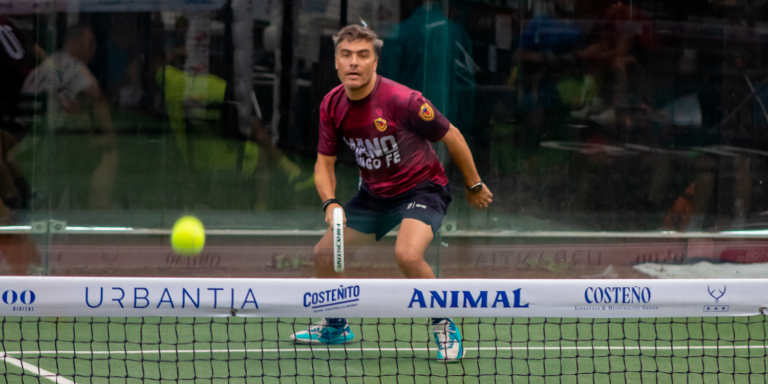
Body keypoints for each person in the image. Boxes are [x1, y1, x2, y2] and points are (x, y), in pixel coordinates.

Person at [289, 25, 493, 362]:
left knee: (408, 255)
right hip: (374, 196)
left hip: (423, 188)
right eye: (346, 55)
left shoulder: (402, 100)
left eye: (363, 55)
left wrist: (474, 184)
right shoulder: (332, 105)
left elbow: (452, 135)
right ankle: (336, 325)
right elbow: (323, 164)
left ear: (375, 63)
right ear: (336, 62)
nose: (354, 62)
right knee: (325, 254)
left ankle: (443, 324)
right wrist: (330, 202)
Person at [22, 24, 119, 209]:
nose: (95, 47)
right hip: (46, 142)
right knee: (107, 151)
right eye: (90, 42)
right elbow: (96, 96)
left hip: (27, 139)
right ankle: (94, 207)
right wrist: (109, 137)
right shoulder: (72, 66)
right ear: (75, 43)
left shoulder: (50, 63)